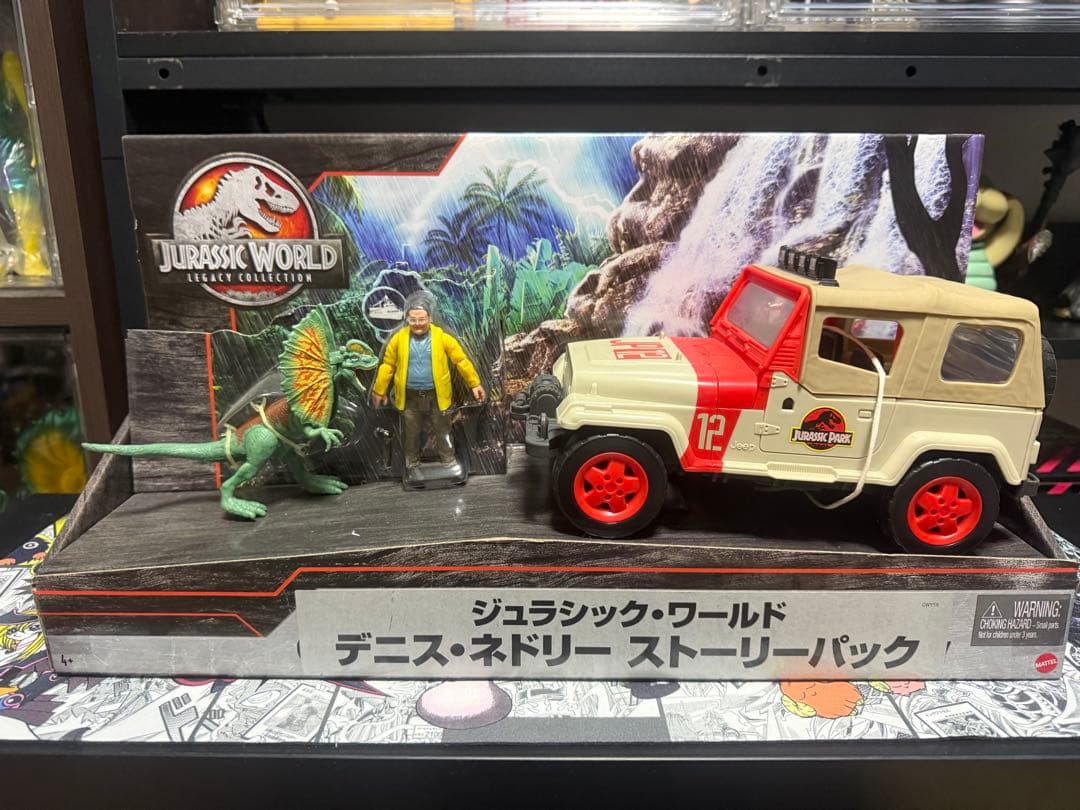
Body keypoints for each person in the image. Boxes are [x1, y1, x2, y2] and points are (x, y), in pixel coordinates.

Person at [371, 302, 485, 472]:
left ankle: (448, 460)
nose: (417, 323)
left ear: (430, 318)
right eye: (413, 319)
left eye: (422, 319)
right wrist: (379, 390)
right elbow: (387, 365)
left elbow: (461, 361)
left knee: (443, 429)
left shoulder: (442, 338)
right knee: (411, 432)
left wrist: (474, 384)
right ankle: (411, 463)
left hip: (437, 395)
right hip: (409, 396)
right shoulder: (399, 339)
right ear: (407, 319)